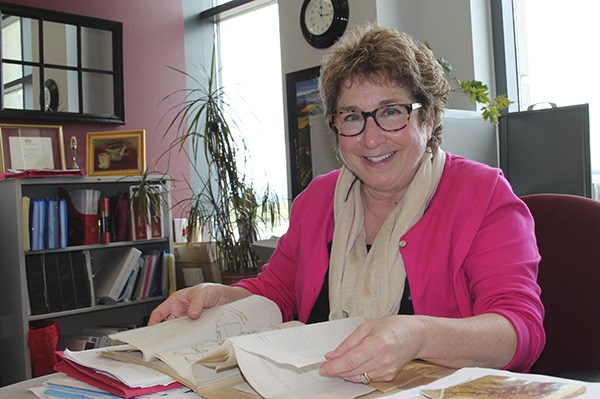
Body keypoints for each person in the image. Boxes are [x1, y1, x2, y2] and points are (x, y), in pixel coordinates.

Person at [149, 23, 545, 384]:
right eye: (353, 117)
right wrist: (223, 296)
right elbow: (278, 290)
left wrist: (418, 334)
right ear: (336, 126)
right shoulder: (318, 200)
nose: (371, 139)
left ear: (429, 117)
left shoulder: (484, 195)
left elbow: (519, 331)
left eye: (392, 112)